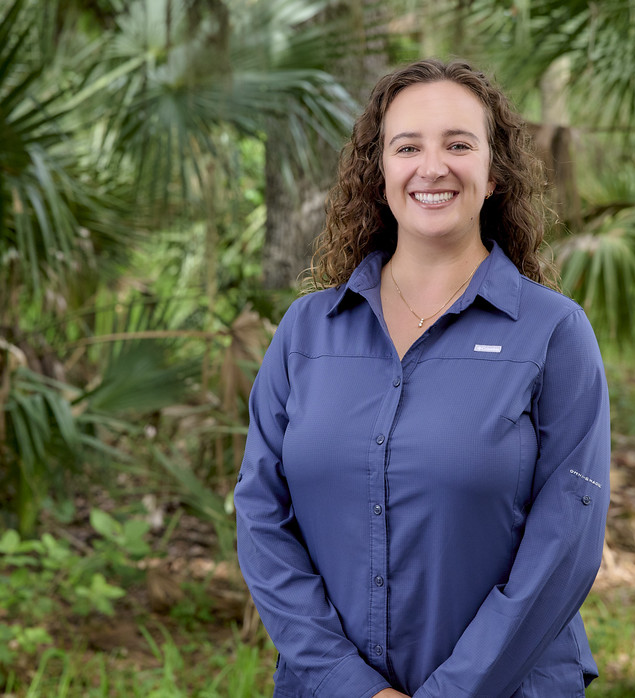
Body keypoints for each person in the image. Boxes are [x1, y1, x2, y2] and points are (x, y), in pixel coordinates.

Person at [234, 58, 610, 698]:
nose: (432, 167)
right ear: (379, 170)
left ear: (494, 173)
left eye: (458, 144)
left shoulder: (553, 333)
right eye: (407, 146)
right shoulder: (307, 332)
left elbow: (565, 545)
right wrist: (348, 683)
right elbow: (261, 517)